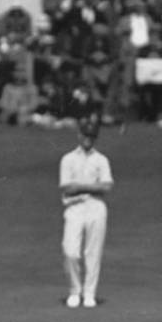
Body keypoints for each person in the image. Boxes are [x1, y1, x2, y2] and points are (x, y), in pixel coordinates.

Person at [59, 119, 113, 307]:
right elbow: (66, 188)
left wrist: (80, 186)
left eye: (92, 136)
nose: (88, 139)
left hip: (96, 207)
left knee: (93, 251)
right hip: (74, 208)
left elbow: (106, 187)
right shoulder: (68, 159)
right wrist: (92, 186)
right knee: (70, 251)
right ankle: (75, 291)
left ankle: (89, 293)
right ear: (79, 135)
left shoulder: (101, 160)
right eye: (85, 135)